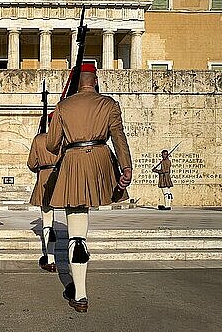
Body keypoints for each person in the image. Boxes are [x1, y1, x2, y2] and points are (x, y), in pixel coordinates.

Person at [46, 64, 132, 313]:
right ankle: (79, 290)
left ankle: (80, 295)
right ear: (95, 80)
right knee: (82, 231)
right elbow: (119, 137)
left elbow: (52, 145)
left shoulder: (64, 106)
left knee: (75, 231)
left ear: (76, 82)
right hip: (100, 161)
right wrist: (126, 168)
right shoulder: (109, 104)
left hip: (73, 162)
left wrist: (62, 118)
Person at [27, 111, 61, 272]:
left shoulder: (39, 139)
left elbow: (32, 164)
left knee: (48, 223)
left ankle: (51, 259)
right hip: (63, 178)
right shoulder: (66, 139)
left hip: (45, 178)